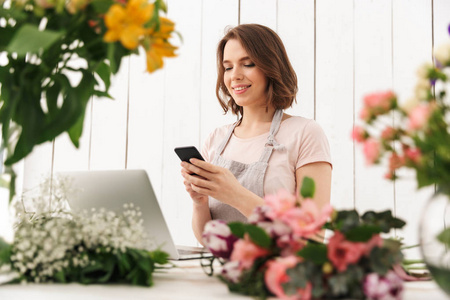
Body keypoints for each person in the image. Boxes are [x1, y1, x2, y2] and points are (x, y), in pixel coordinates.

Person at [180, 24, 332, 244]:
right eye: (228, 67)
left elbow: (312, 237)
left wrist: (235, 194)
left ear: (271, 67)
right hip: (222, 273)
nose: (235, 76)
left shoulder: (305, 133)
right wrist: (200, 202)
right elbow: (208, 241)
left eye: (247, 64)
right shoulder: (216, 139)